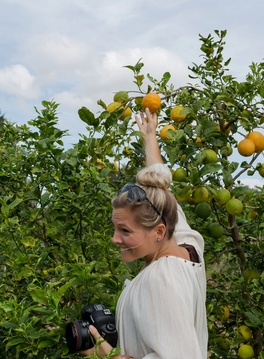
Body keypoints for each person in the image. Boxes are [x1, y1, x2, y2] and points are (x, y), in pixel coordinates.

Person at [81, 107, 208, 359]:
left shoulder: (160, 278)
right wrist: (149, 135)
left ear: (158, 231)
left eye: (125, 230)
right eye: (115, 227)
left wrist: (107, 355)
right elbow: (160, 185)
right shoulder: (189, 247)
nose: (115, 239)